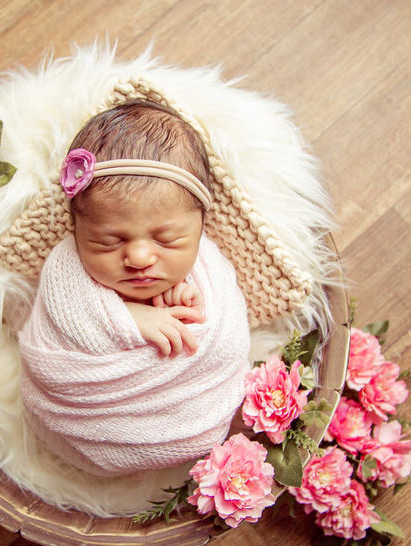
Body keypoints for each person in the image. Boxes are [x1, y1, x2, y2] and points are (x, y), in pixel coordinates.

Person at [17, 100, 250, 477]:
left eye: (168, 239)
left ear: (200, 226)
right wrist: (125, 318)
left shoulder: (209, 271)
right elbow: (59, 322)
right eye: (109, 241)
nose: (140, 257)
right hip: (78, 422)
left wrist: (186, 300)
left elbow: (223, 340)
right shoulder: (66, 267)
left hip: (190, 418)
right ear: (78, 231)